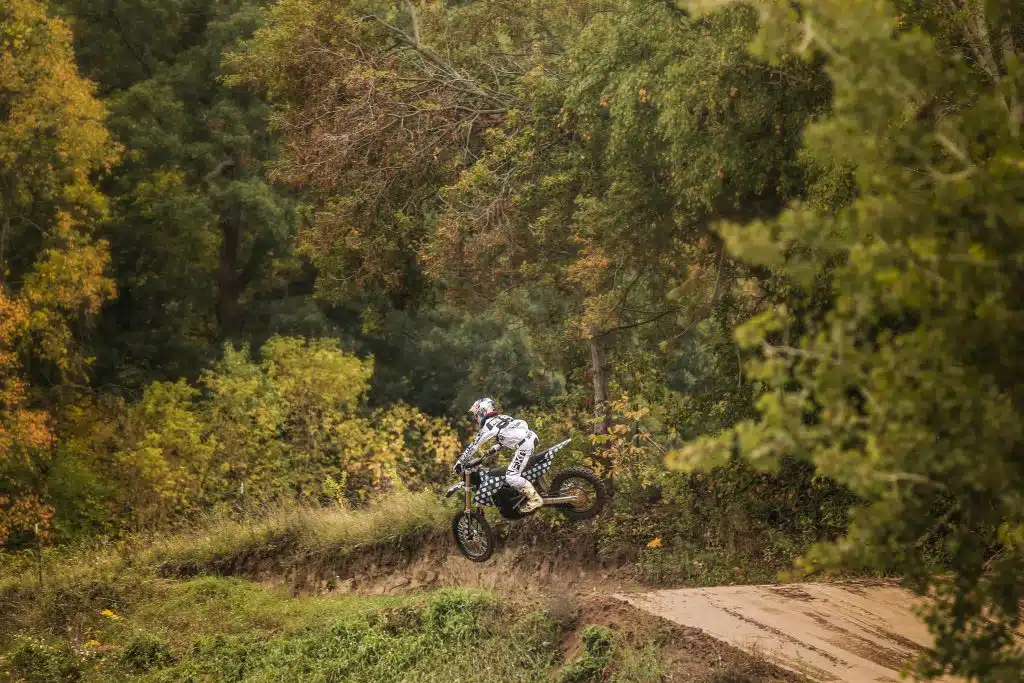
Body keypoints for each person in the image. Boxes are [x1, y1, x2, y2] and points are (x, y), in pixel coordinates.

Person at [454, 397, 545, 513]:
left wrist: (459, 463)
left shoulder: (488, 426)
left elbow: (473, 446)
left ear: (482, 412)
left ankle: (535, 499)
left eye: (476, 415)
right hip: (531, 437)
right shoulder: (502, 418)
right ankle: (535, 488)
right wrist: (494, 449)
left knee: (511, 477)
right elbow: (509, 435)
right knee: (520, 469)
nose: (476, 418)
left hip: (524, 446)